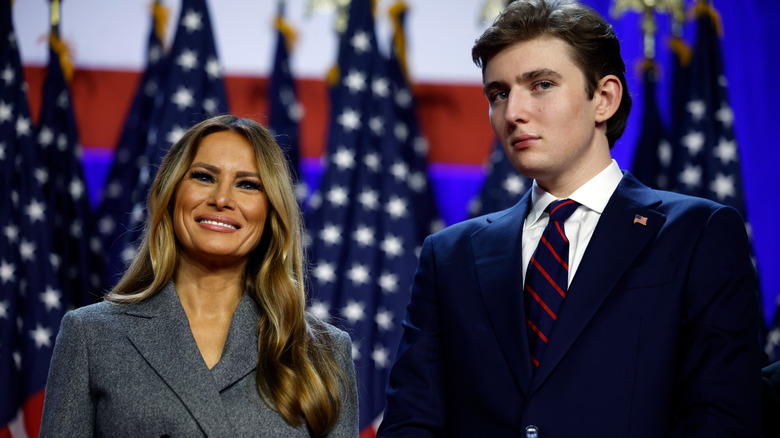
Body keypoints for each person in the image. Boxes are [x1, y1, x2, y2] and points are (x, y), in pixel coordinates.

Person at [377, 1, 762, 437]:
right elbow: (412, 423)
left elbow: (721, 420)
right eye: (498, 93)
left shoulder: (697, 235)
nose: (513, 112)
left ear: (604, 98)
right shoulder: (448, 255)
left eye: (540, 84)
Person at [40, 115, 359, 437]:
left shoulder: (323, 351)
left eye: (247, 184)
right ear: (172, 193)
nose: (221, 199)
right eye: (204, 177)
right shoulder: (91, 335)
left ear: (271, 211)